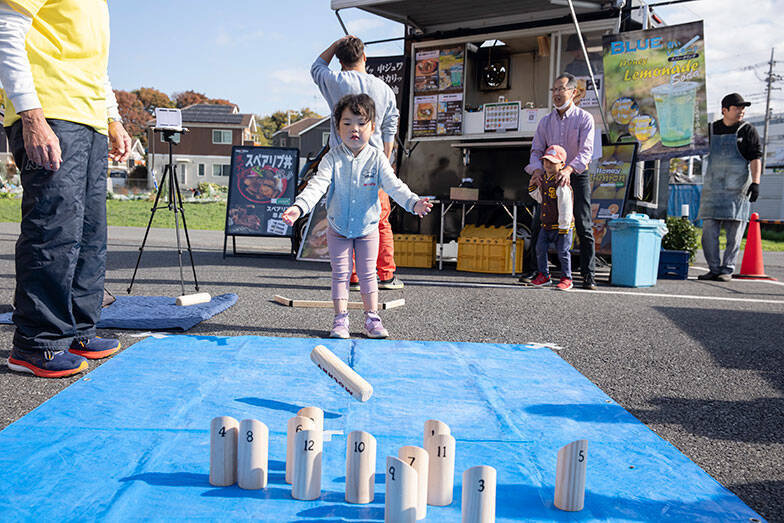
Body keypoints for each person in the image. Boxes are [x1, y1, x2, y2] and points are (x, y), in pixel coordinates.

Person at [0, 0, 132, 377]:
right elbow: (6, 30)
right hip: (51, 112)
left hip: (88, 118)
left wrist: (113, 118)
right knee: (53, 229)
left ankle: (77, 329)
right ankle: (37, 342)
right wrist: (31, 114)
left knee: (89, 233)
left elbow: (95, 69)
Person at [281, 94, 431, 339]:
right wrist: (298, 208)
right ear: (337, 128)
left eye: (361, 123)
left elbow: (394, 186)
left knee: (367, 273)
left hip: (367, 228)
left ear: (372, 127)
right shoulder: (331, 158)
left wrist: (413, 203)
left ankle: (372, 319)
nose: (355, 129)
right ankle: (340, 320)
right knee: (340, 274)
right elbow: (316, 186)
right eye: (347, 123)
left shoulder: (377, 157)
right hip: (337, 227)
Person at [311, 35, 404, 290]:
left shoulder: (335, 81)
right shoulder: (384, 89)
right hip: (374, 162)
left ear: (340, 61)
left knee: (343, 219)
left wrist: (334, 43)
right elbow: (390, 127)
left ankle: (351, 277)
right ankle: (385, 275)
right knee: (380, 220)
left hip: (340, 163)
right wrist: (386, 159)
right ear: (365, 57)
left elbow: (316, 67)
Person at [525, 72, 596, 289]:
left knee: (583, 224)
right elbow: (536, 150)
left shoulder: (585, 118)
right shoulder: (545, 121)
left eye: (561, 89)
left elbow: (586, 151)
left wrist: (568, 169)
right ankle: (536, 272)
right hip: (548, 177)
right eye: (554, 90)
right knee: (539, 221)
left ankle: (588, 274)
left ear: (574, 92)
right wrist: (537, 170)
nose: (556, 94)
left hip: (575, 174)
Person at [697, 93, 762, 281]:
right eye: (737, 107)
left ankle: (727, 269)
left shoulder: (748, 130)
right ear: (724, 110)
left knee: (734, 233)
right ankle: (714, 268)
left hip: (737, 188)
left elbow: (755, 157)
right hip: (712, 188)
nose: (741, 111)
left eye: (743, 108)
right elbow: (694, 147)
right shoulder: (710, 129)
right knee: (709, 231)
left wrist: (756, 183)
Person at [528, 145, 574, 291]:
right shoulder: (544, 180)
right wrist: (533, 188)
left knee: (563, 253)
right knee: (540, 249)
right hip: (546, 225)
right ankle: (544, 275)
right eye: (546, 161)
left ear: (562, 165)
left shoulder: (562, 183)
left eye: (553, 162)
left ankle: (567, 278)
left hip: (561, 227)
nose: (548, 164)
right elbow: (541, 199)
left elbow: (566, 206)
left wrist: (564, 227)